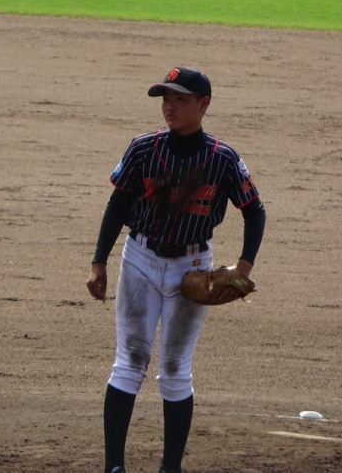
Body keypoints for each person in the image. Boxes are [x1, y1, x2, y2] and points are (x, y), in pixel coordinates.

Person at [86, 65, 266, 473]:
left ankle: (171, 468)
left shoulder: (223, 158)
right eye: (166, 98)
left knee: (174, 370)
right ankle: (114, 468)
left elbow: (255, 211)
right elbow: (117, 205)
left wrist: (242, 268)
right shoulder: (142, 148)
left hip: (193, 266)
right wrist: (99, 262)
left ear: (203, 104)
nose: (170, 106)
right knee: (129, 362)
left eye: (180, 99)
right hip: (140, 259)